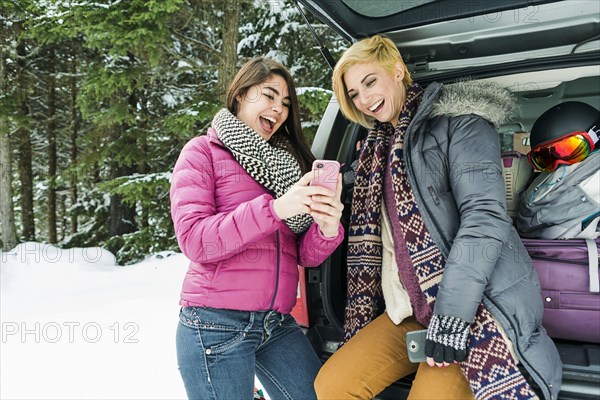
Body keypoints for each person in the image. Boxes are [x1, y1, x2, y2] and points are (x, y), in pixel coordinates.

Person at [314, 35, 562, 400]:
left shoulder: (461, 124)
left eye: (369, 82)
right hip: (408, 308)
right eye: (353, 94)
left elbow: (484, 218)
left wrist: (453, 316)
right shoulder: (374, 149)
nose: (364, 99)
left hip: (474, 306)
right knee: (331, 387)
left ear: (397, 70)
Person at [170, 57, 344, 400]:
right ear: (240, 94)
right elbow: (195, 240)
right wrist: (276, 208)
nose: (278, 109)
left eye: (285, 103)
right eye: (268, 95)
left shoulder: (285, 165)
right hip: (214, 324)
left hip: (275, 324)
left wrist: (326, 228)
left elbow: (304, 257)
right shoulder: (202, 152)